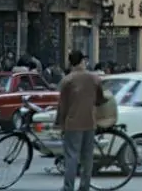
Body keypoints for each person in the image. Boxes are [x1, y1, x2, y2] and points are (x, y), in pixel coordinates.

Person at [56, 51, 106, 191]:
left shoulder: (67, 80)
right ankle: (84, 186)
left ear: (70, 63)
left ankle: (68, 187)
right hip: (90, 122)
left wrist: (60, 124)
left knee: (71, 157)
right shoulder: (94, 78)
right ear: (83, 61)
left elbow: (62, 106)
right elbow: (100, 99)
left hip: (72, 123)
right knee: (87, 157)